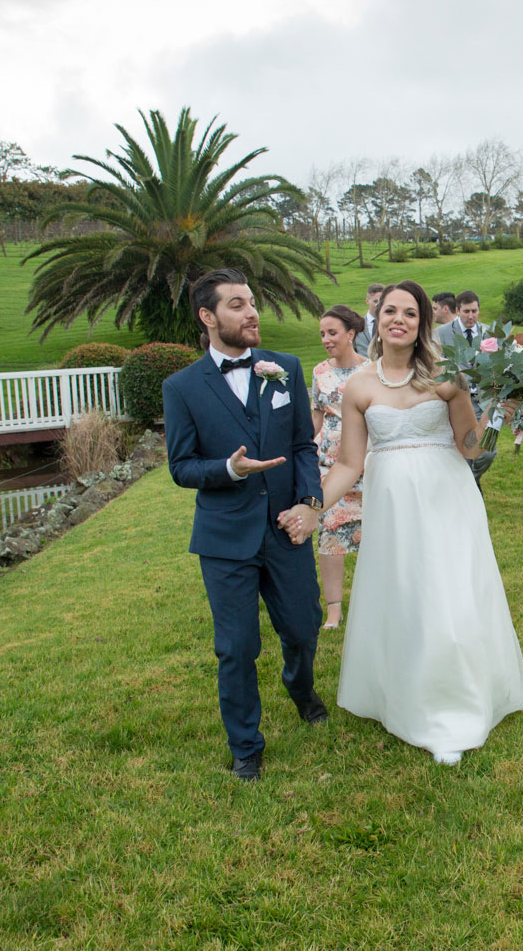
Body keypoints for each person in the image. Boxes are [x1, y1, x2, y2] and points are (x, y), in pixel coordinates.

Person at [306, 280, 523, 766]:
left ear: (422, 322)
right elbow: (348, 464)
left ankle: (455, 705)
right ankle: (405, 692)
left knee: (448, 590)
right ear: (377, 319)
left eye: (409, 312)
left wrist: (494, 412)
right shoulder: (359, 385)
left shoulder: (447, 376)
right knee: (407, 592)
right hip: (392, 507)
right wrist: (312, 506)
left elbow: (471, 448)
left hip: (448, 496)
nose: (398, 319)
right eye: (390, 311)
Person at [162, 268, 326, 783]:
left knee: (303, 627)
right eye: (236, 304)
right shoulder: (182, 387)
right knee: (236, 646)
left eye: (252, 302)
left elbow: (303, 445)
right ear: (208, 317)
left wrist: (309, 501)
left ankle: (300, 688)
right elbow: (181, 466)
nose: (251, 312)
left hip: (284, 530)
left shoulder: (285, 367)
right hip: (224, 537)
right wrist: (228, 470)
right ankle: (246, 745)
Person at [310, 305, 369, 631]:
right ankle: (334, 610)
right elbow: (316, 418)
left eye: (332, 333)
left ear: (350, 333)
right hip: (331, 467)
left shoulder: (373, 370)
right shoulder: (320, 372)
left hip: (369, 466)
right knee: (330, 536)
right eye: (322, 334)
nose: (326, 339)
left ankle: (376, 602)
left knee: (377, 537)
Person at [434, 290, 497, 486]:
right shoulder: (442, 333)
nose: (471, 316)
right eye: (466, 311)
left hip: (486, 402)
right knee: (462, 450)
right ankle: (468, 490)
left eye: (475, 311)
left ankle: (470, 482)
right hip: (458, 402)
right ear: (457, 310)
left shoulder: (490, 333)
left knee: (488, 452)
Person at [353, 283, 385, 356]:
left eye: (381, 301)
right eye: (375, 301)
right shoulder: (357, 325)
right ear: (367, 301)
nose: (379, 305)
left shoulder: (390, 325)